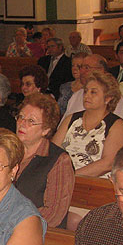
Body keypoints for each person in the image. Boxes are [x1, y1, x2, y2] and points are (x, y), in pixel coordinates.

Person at [53, 70, 123, 177]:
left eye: (93, 92)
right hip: (62, 177)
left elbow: (108, 163)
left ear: (108, 98)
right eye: (86, 91)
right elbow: (53, 151)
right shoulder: (72, 119)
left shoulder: (117, 125)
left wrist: (72, 176)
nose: (87, 96)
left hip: (95, 184)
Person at [15, 93, 74, 228]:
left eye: (31, 121)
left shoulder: (59, 160)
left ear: (46, 130)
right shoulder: (8, 151)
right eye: (21, 117)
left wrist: (14, 224)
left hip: (36, 233)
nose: (22, 124)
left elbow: (53, 213)